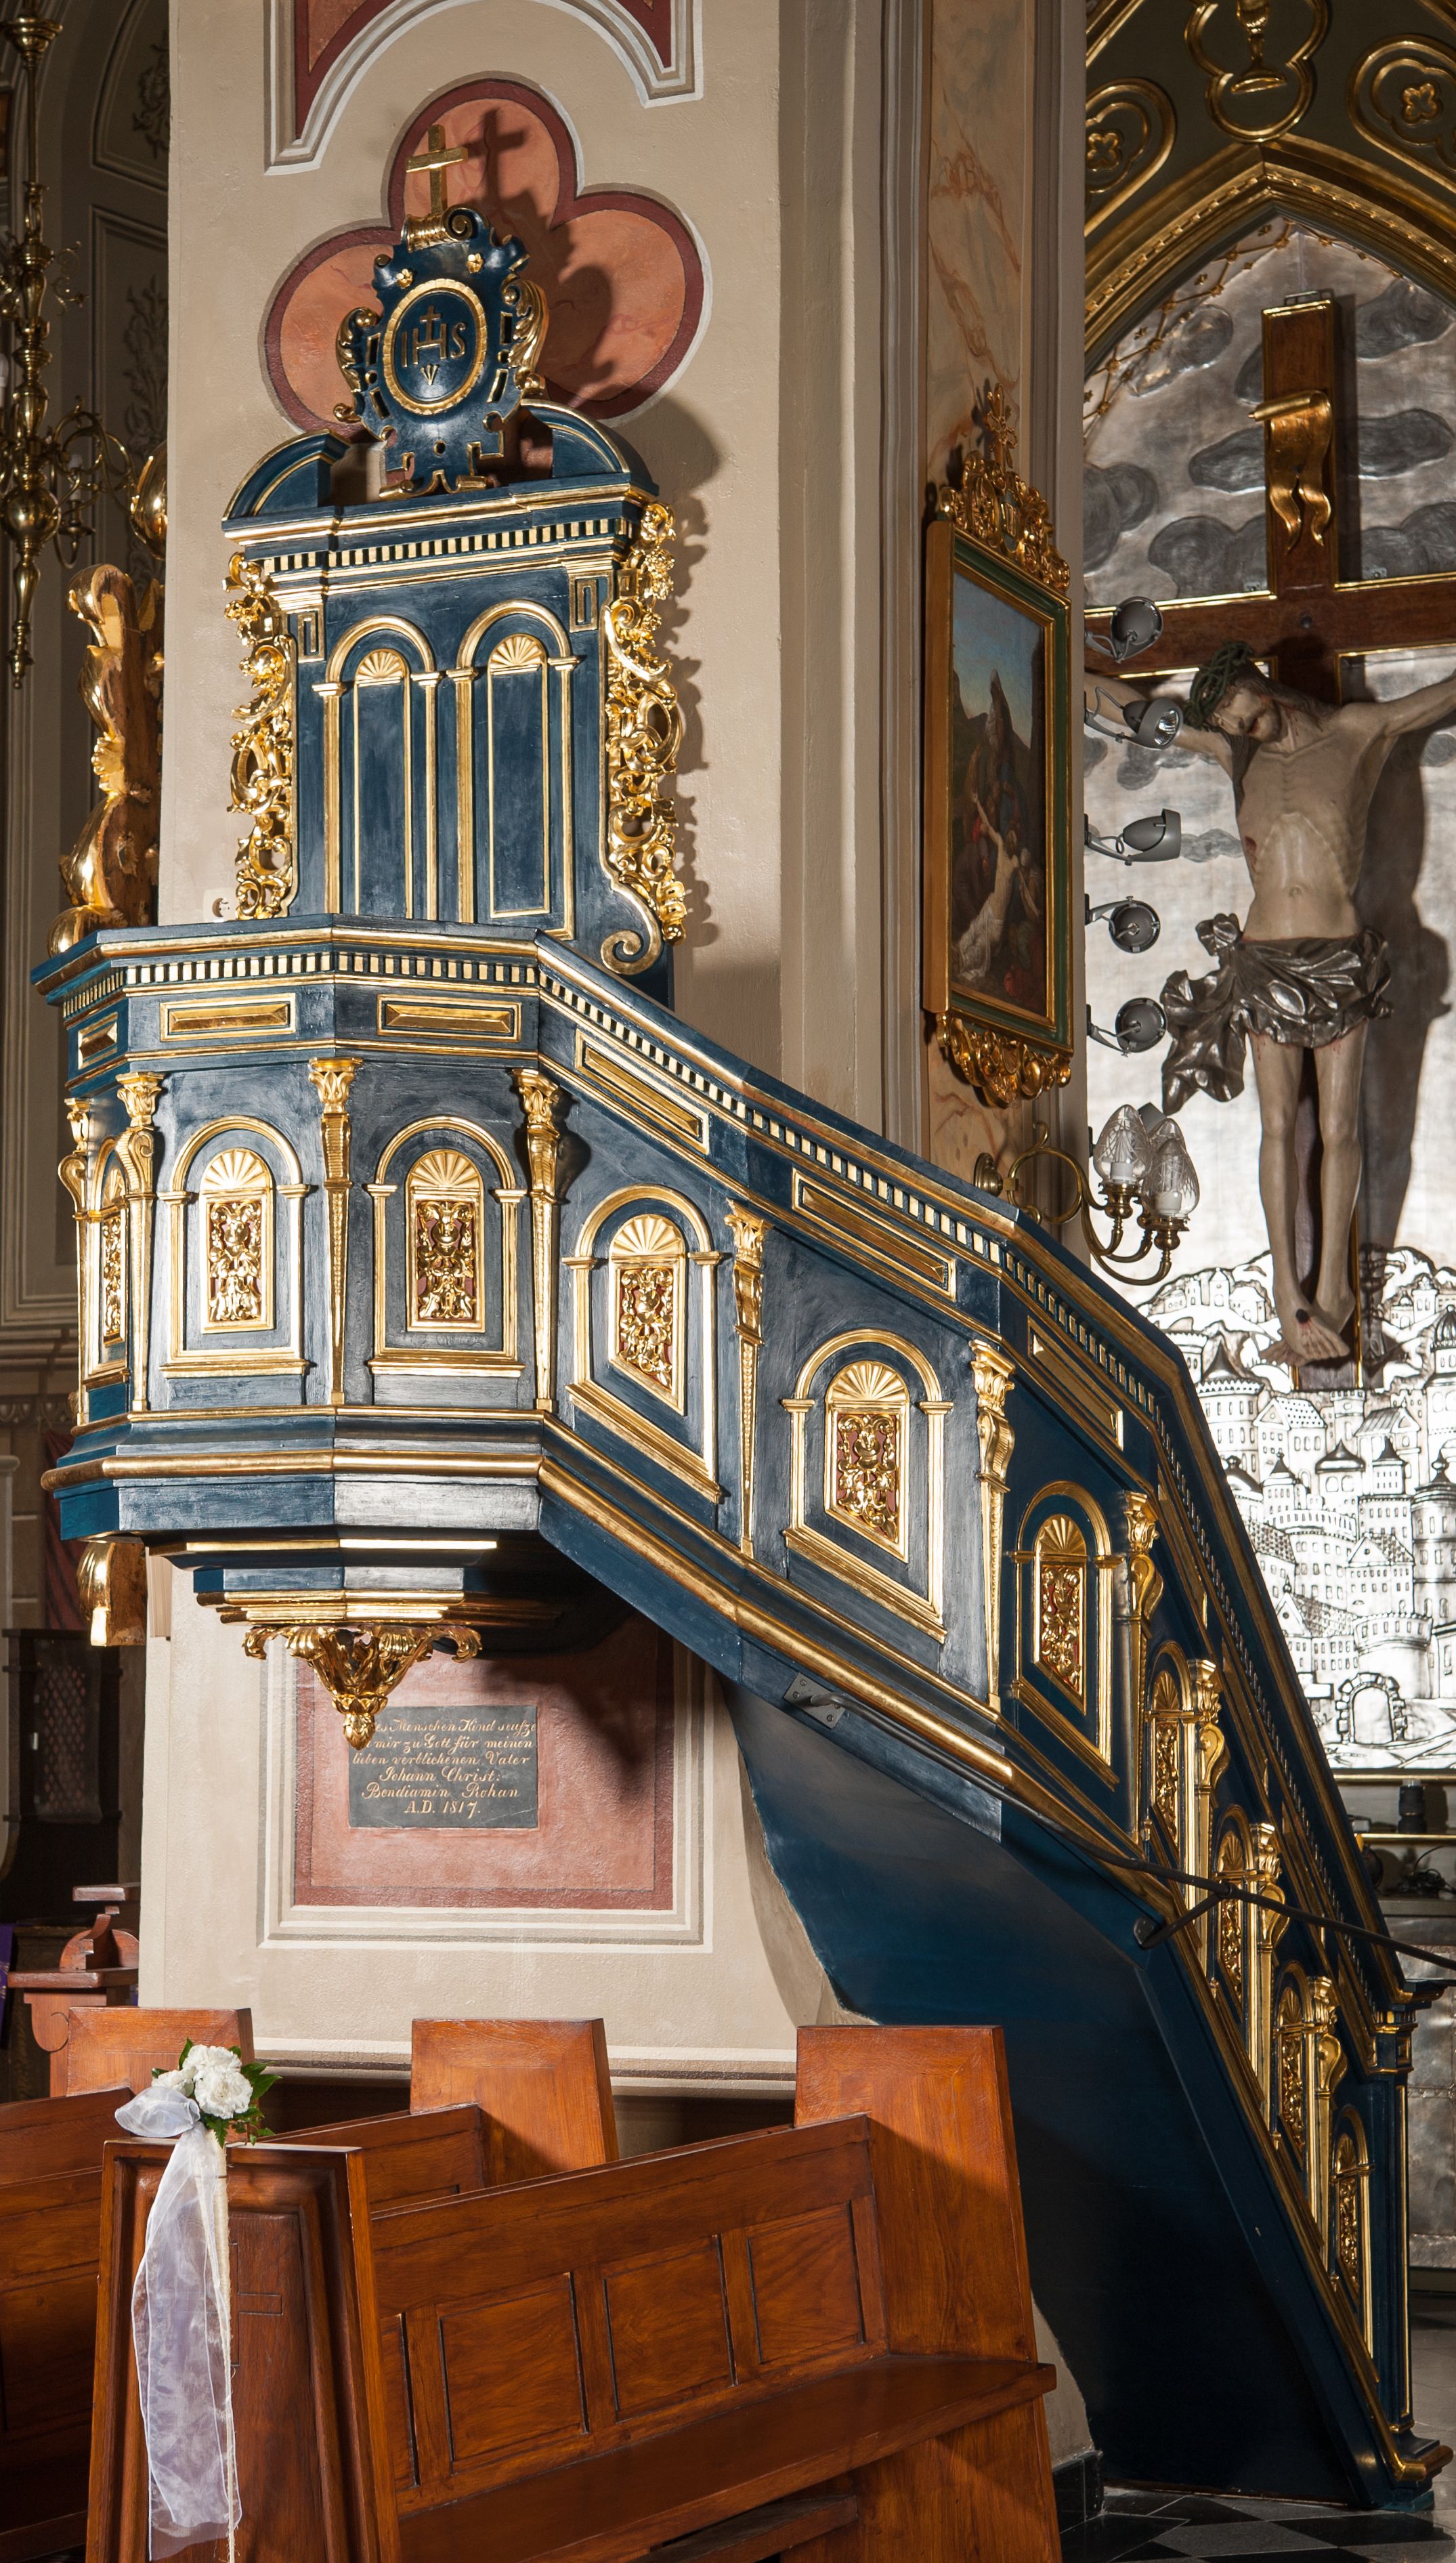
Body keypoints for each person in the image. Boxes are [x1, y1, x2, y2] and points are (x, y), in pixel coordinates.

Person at [1088, 640, 1456, 1365]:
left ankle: (1334, 1287)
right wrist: (1065, 664)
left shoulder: (1355, 731)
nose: (1236, 726)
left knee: (1340, 1129)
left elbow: (1438, 696)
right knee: (1277, 1128)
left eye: (1238, 711)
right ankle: (1289, 1292)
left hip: (1338, 959)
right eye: (1225, 721)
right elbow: (1135, 714)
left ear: (1259, 684)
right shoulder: (1235, 752)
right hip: (1262, 960)